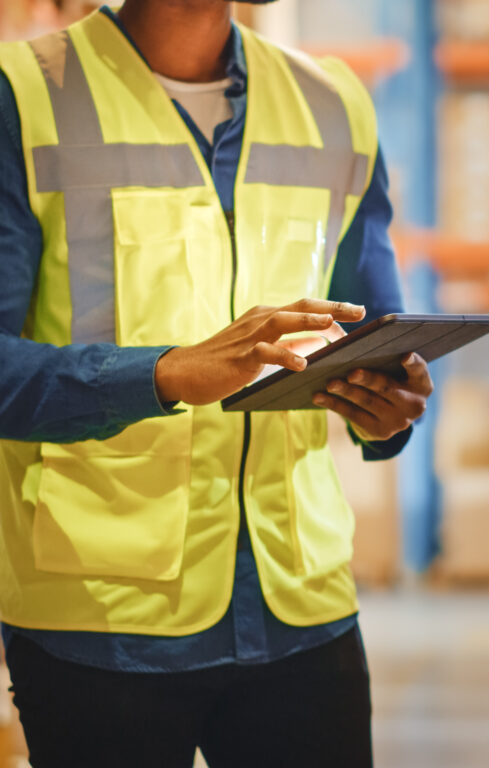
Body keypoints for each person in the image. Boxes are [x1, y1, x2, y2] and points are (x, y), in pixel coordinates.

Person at [0, 0, 433, 765]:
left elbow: (375, 331)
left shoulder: (334, 106)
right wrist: (164, 374)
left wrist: (387, 411)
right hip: (99, 619)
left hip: (299, 603)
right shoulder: (23, 99)